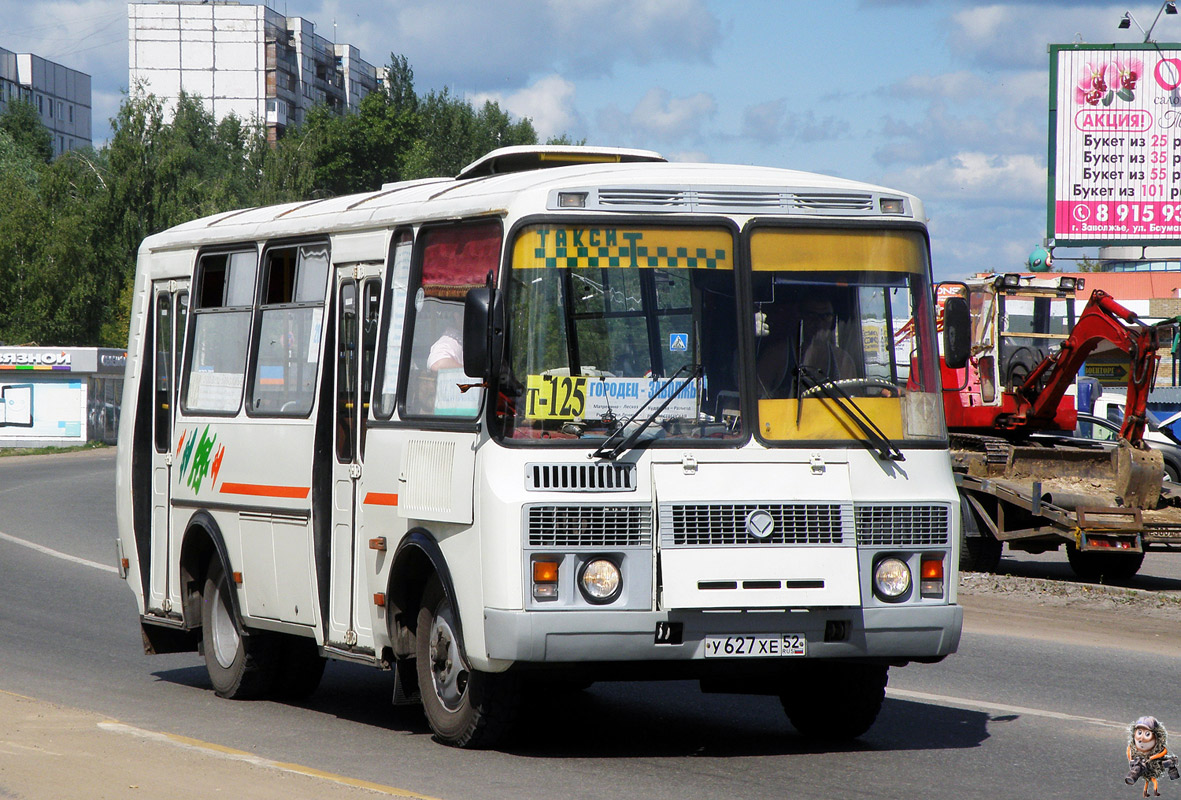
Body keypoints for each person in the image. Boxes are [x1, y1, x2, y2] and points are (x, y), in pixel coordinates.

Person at [756, 293, 856, 398]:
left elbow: (854, 399)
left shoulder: (842, 360)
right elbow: (756, 397)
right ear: (800, 317)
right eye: (811, 315)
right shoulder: (777, 355)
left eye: (825, 316)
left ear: (833, 321)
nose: (818, 323)